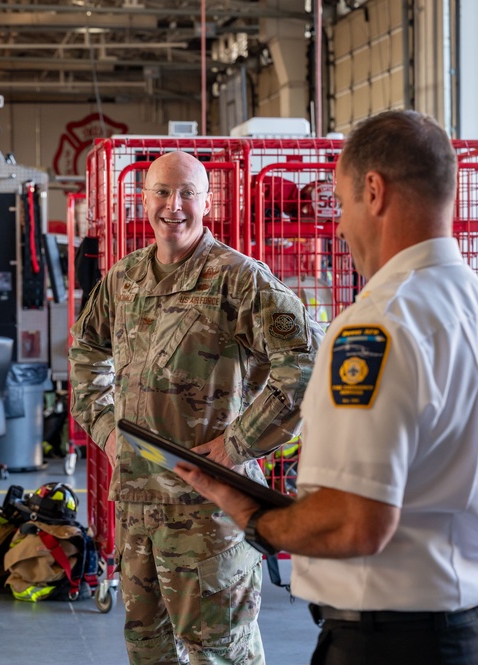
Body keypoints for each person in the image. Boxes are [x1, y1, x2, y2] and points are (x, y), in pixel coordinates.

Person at [175, 110, 478, 665]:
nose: (342, 227)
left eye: (343, 205)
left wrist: (251, 514)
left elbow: (357, 523)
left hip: (392, 644)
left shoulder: (378, 325)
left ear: (374, 192)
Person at [69, 150, 323, 664]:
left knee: (218, 652)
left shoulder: (238, 279)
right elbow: (85, 352)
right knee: (148, 649)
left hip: (211, 509)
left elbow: (307, 364)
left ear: (208, 202)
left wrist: (236, 445)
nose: (174, 206)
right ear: (144, 200)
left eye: (187, 193)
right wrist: (104, 426)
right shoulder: (122, 281)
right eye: (162, 192)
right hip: (138, 505)